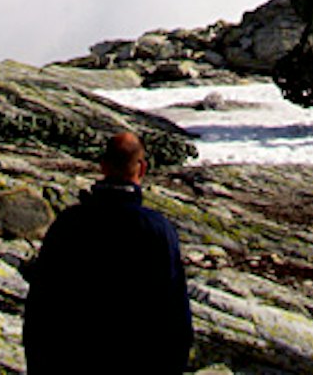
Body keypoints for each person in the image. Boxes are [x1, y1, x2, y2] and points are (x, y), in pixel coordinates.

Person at [22, 130, 192, 375]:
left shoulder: (69, 224)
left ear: (102, 166)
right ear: (142, 169)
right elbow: (176, 322)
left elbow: (40, 309)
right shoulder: (157, 230)